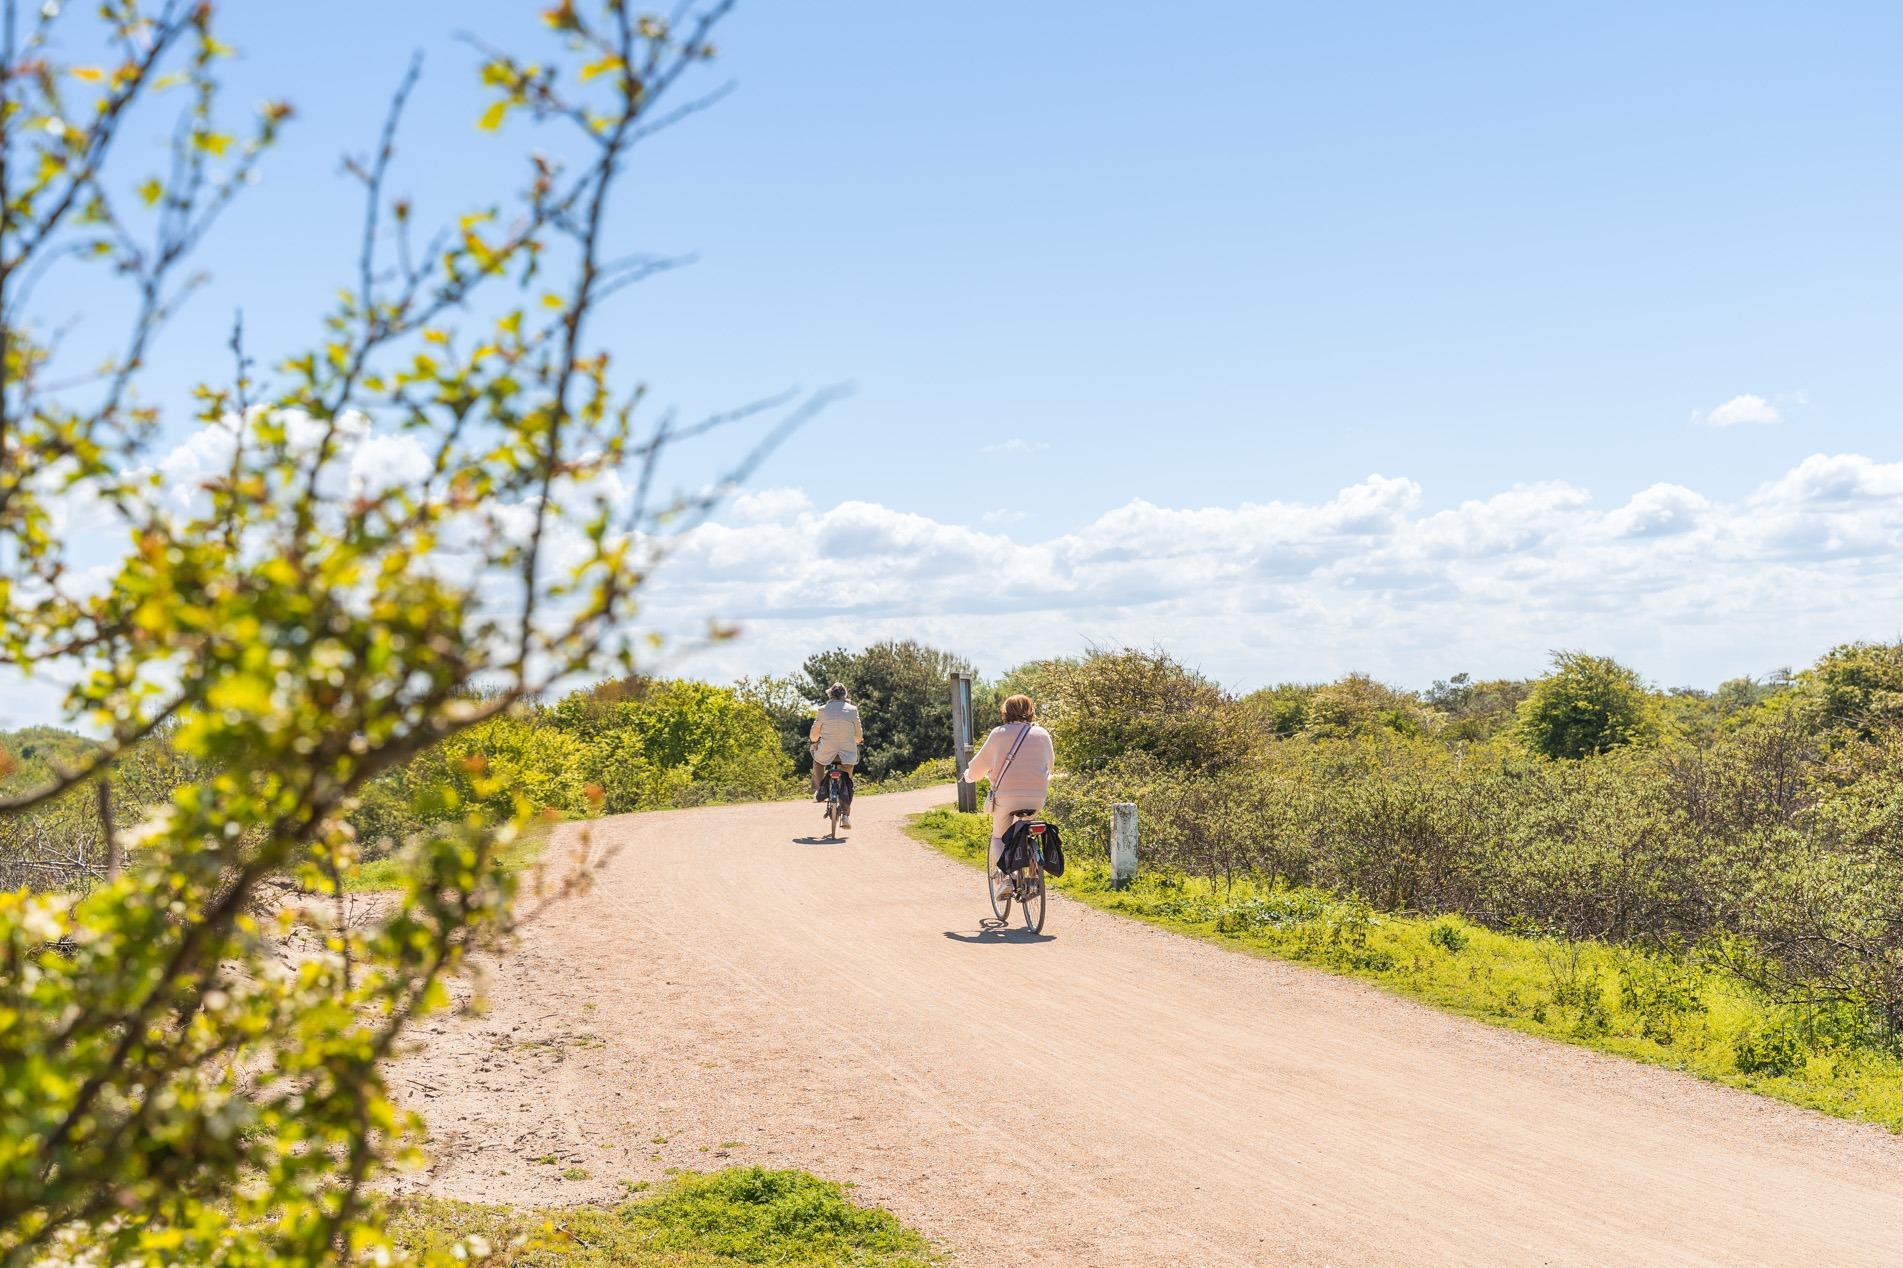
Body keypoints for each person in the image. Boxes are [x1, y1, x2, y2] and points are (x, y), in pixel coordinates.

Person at [960, 694, 1054, 903]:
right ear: (1031, 710)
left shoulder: (999, 733)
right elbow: (1050, 764)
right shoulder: (1042, 733)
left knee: (998, 836)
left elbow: (977, 767)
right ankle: (1032, 875)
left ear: (1005, 711)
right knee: (1027, 828)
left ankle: (1006, 878)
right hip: (1036, 797)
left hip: (1007, 798)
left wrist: (969, 776)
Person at [809, 682, 863, 829]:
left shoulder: (823, 710)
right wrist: (857, 740)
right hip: (847, 753)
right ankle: (846, 816)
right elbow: (858, 734)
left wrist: (814, 740)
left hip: (827, 752)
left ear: (830, 695)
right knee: (848, 780)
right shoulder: (853, 710)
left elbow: (814, 734)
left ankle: (819, 789)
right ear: (845, 695)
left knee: (817, 759)